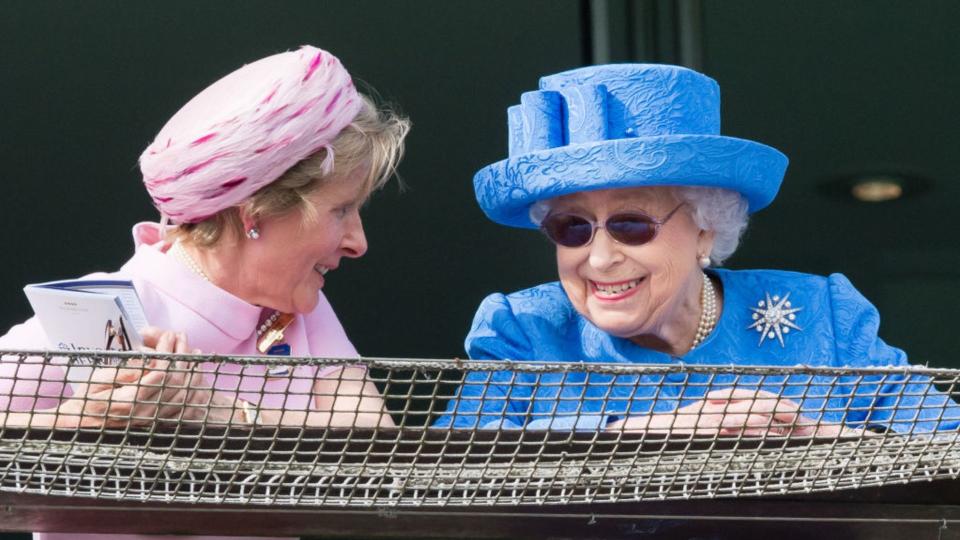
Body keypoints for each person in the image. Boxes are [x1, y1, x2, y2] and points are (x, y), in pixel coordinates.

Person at [435, 64, 960, 435]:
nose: (598, 258)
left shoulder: (824, 315)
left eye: (631, 226)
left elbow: (948, 443)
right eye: (571, 228)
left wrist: (824, 442)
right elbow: (443, 476)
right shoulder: (525, 331)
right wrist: (644, 432)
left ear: (706, 228)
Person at [0, 45, 407, 484]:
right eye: (342, 210)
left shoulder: (299, 311)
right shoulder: (99, 312)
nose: (358, 243)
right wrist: (83, 419)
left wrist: (213, 410)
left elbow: (381, 467)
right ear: (255, 214)